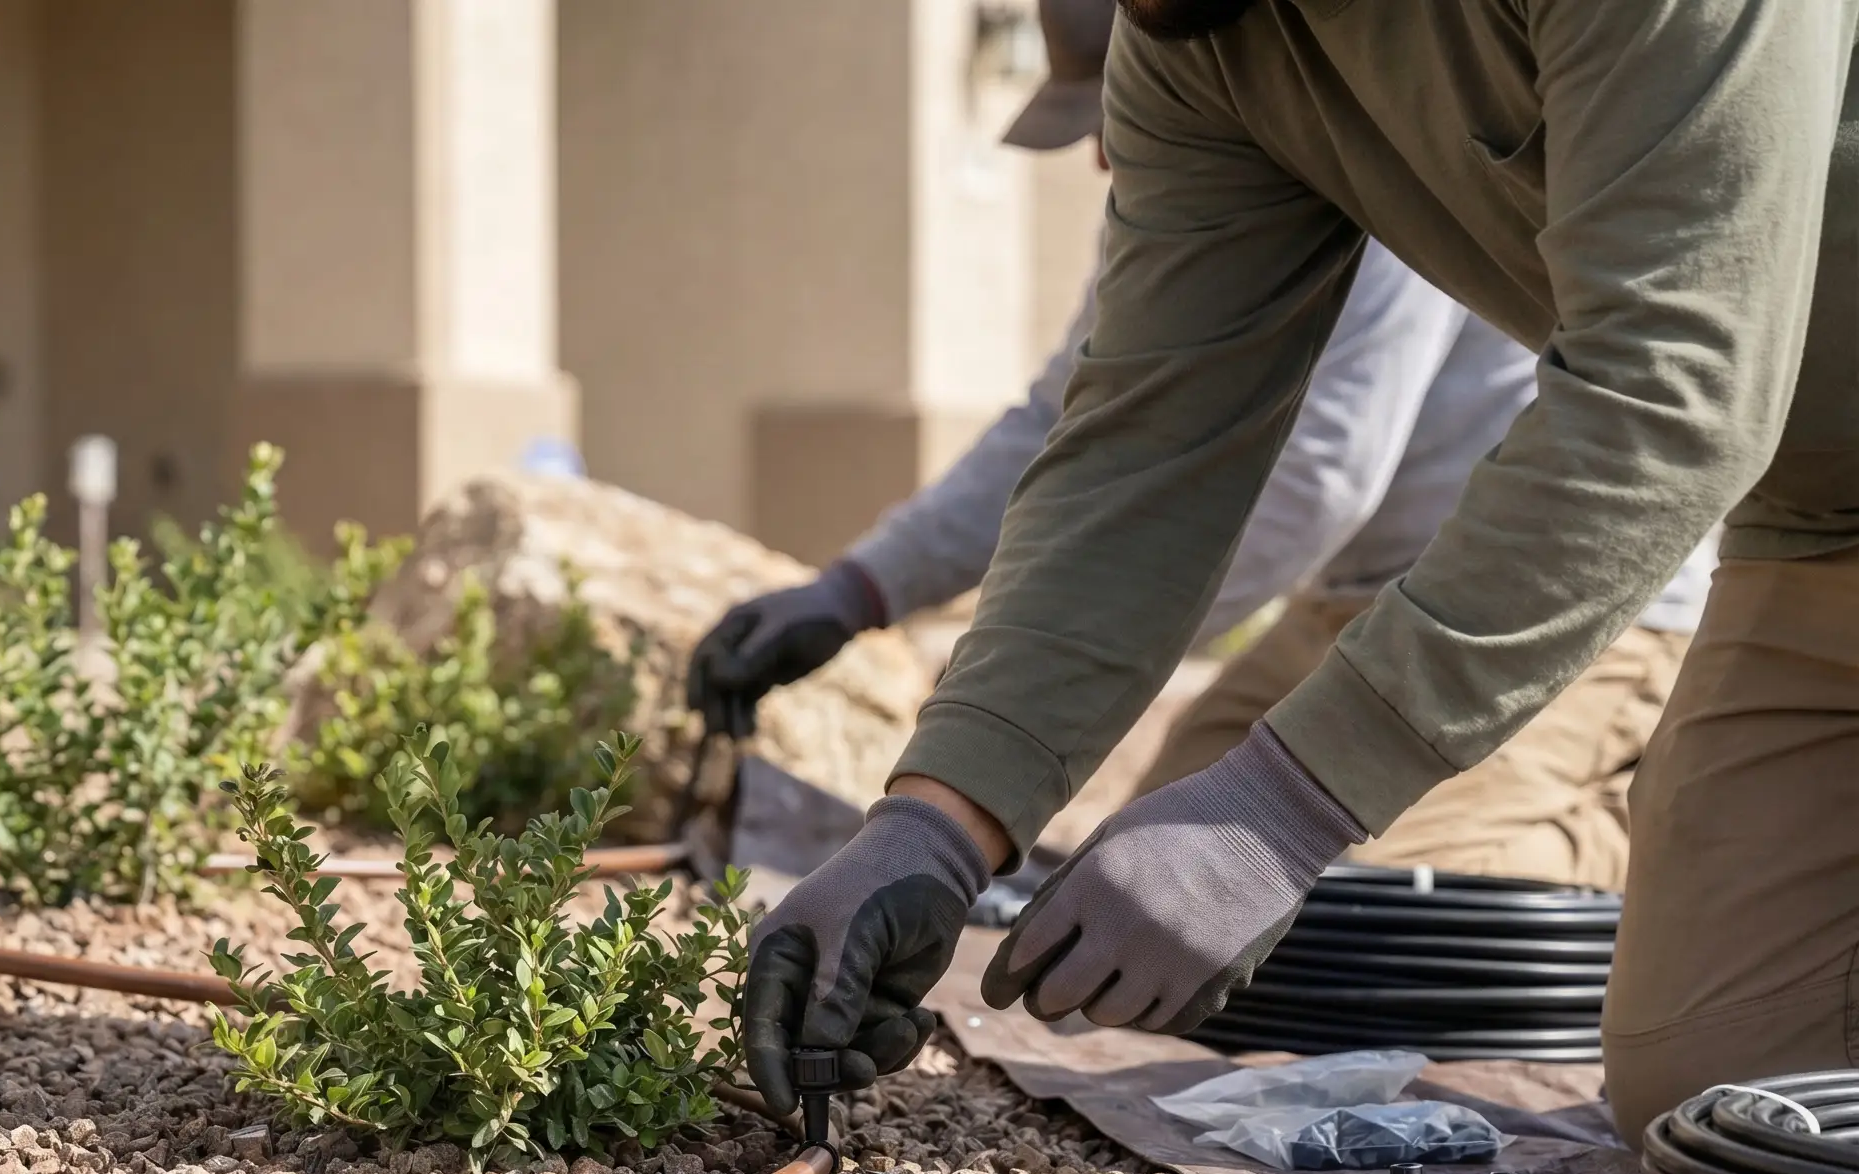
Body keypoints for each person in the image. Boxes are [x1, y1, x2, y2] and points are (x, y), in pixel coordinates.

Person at [732, 0, 1859, 1146]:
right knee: (1720, 1114)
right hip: (1816, 528)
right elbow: (1145, 446)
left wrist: (1285, 804)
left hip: (1679, 515)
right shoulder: (1191, 39)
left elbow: (1665, 394)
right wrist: (936, 821)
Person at [689, 0, 1714, 894]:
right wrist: (857, 592)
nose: (1096, 155)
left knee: (1356, 904)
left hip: (1555, 611)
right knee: (1138, 869)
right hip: (1354, 607)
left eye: (1096, 116)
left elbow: (1319, 477)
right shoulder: (1183, 178)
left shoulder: (1352, 157)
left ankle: (1672, 834)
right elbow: (1078, 424)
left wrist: (1099, 657)